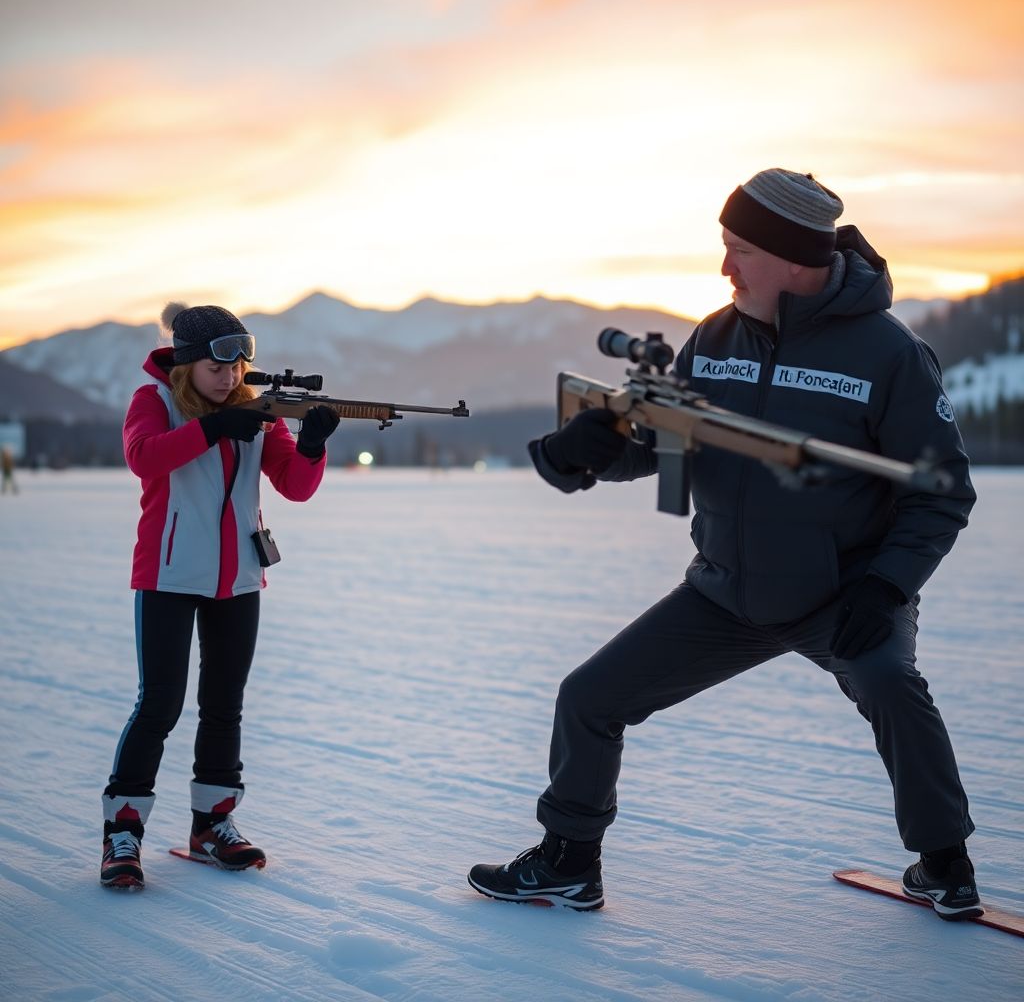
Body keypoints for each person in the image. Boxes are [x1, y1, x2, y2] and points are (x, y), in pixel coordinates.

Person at [468, 169, 981, 920]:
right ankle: (570, 861)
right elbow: (665, 448)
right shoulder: (711, 339)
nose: (725, 266)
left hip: (845, 594)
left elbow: (942, 492)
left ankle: (945, 865)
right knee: (589, 697)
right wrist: (595, 448)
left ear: (793, 259)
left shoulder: (888, 353)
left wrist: (887, 587)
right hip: (725, 592)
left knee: (891, 687)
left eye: (740, 249)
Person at [101, 302, 340, 890]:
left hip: (238, 578)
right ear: (187, 364)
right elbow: (143, 458)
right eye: (217, 367)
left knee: (224, 703)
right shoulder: (153, 401)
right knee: (159, 704)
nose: (230, 377)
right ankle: (122, 833)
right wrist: (211, 428)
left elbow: (295, 486)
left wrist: (311, 446)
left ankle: (212, 825)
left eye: (238, 366)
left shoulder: (258, 413)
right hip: (168, 573)